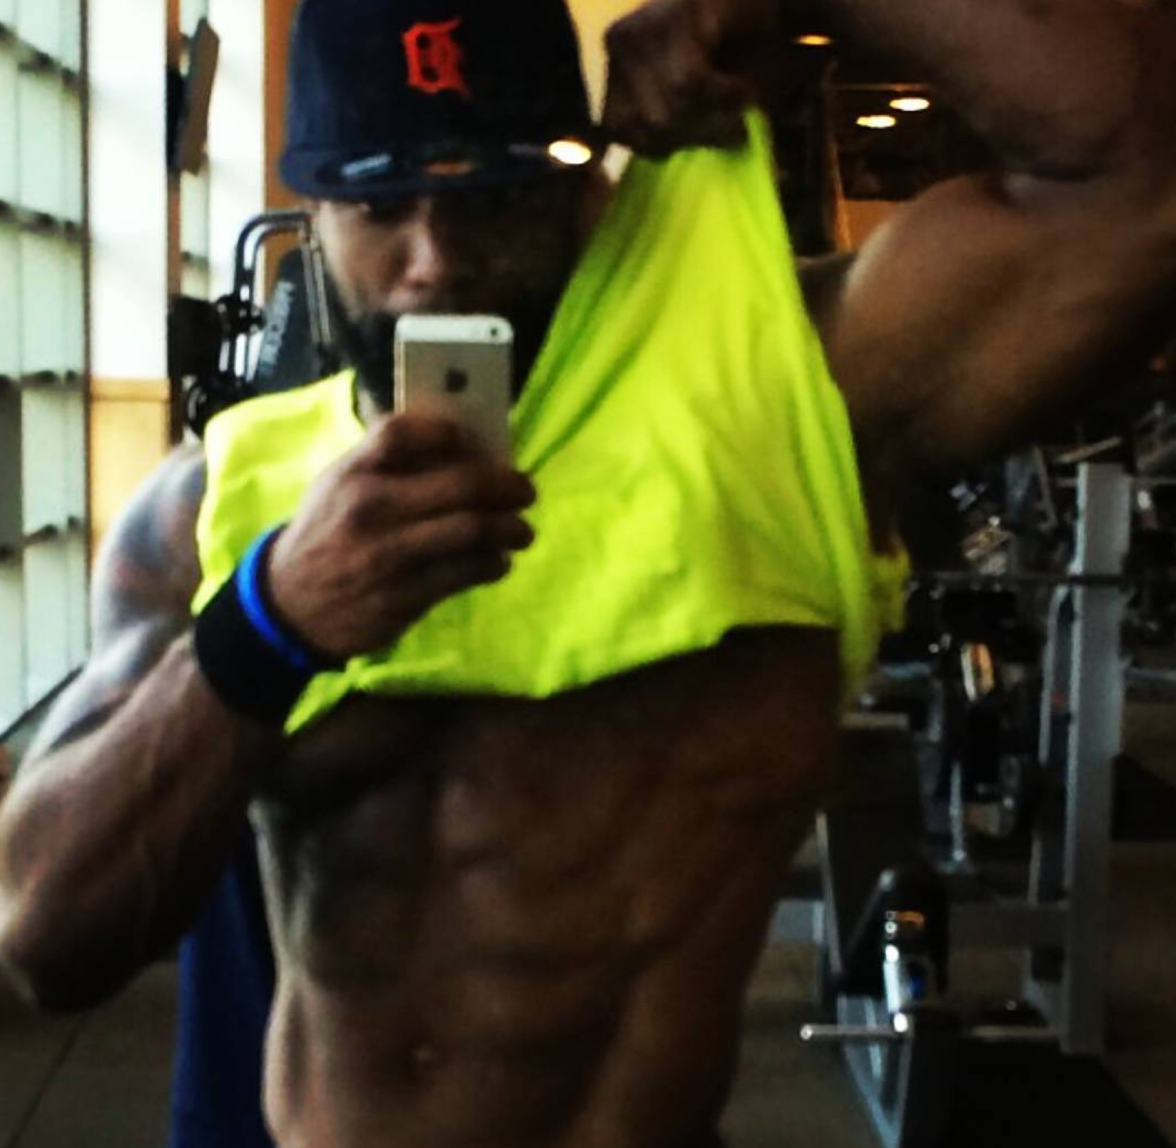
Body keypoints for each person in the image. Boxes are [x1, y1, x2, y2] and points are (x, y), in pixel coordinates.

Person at [3, 1, 1176, 1147]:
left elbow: (1142, 176)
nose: (433, 263)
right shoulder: (216, 505)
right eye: (378, 202)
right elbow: (41, 934)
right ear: (312, 212)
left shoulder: (799, 402)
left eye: (490, 194)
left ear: (586, 187)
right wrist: (273, 621)